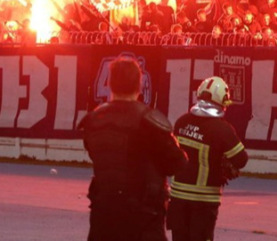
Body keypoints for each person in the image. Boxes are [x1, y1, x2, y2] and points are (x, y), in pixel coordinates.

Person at [79, 57, 188, 241]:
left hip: (103, 215)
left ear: (110, 83)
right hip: (143, 219)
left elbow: (93, 152)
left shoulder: (93, 120)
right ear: (139, 84)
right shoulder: (149, 121)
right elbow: (178, 163)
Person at [168, 76, 248, 241]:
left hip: (177, 199)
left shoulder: (181, 122)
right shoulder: (222, 129)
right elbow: (241, 160)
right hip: (203, 202)